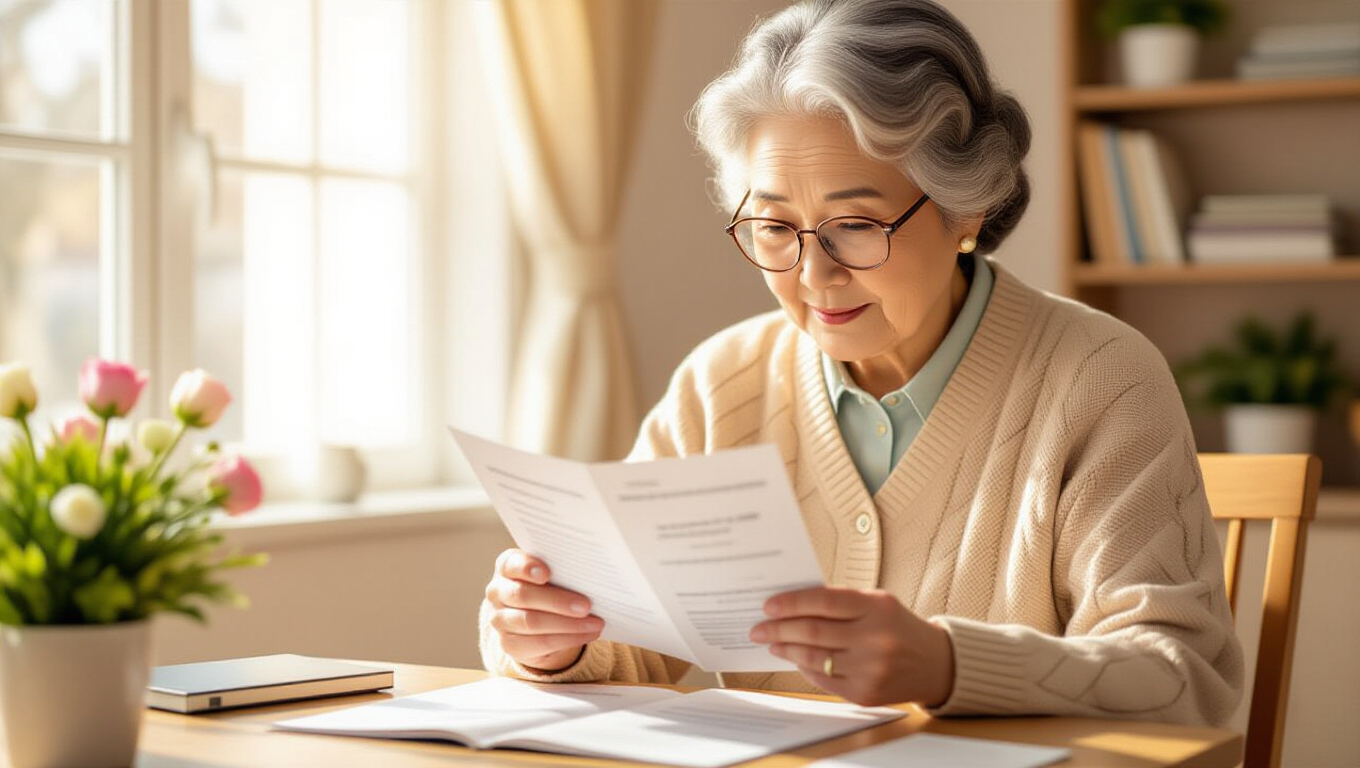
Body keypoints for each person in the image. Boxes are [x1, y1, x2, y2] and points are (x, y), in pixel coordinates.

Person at [480, 0, 1243, 726]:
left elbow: (1181, 676)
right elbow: (638, 643)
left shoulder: (1100, 379)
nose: (814, 274)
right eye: (775, 225)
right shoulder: (721, 384)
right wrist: (556, 640)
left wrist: (948, 666)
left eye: (855, 224)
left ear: (966, 209)